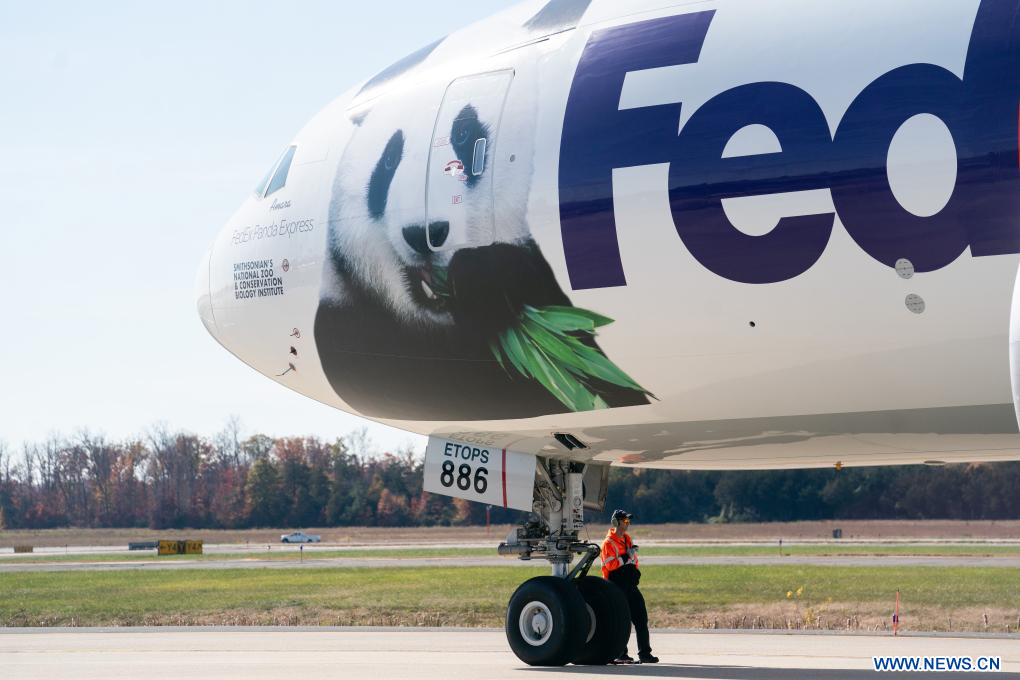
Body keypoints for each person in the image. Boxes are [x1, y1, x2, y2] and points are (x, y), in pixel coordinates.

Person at [601, 509, 658, 664]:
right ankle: (621, 653)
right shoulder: (608, 543)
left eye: (628, 521)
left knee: (641, 618)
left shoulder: (627, 539)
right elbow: (611, 565)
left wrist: (634, 570)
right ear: (616, 523)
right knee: (622, 621)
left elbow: (634, 561)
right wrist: (626, 557)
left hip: (630, 586)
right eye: (625, 521)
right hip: (616, 586)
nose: (628, 524)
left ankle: (645, 653)